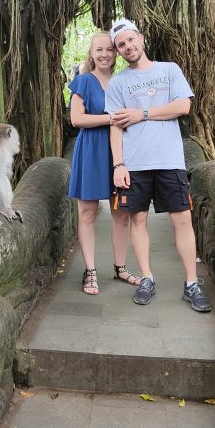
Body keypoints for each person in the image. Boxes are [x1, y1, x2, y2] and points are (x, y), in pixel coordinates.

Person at [106, 18, 211, 313]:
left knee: (183, 219)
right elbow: (115, 126)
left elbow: (183, 106)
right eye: (121, 45)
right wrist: (119, 165)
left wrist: (141, 113)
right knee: (138, 219)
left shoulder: (169, 70)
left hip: (169, 160)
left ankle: (191, 283)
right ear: (118, 51)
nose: (127, 47)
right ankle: (147, 278)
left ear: (141, 38)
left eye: (130, 40)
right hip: (135, 163)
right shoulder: (118, 83)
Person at [68, 32, 140, 295]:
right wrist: (110, 119)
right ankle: (90, 271)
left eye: (109, 49)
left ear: (116, 52)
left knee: (121, 212)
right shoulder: (84, 81)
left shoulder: (124, 81)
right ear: (92, 53)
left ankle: (120, 267)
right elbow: (76, 119)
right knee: (87, 212)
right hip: (91, 151)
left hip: (118, 152)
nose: (104, 54)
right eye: (99, 50)